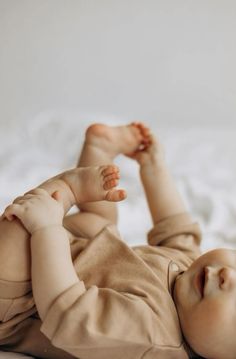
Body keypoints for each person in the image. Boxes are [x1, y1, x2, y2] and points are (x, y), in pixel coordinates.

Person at [0, 122, 235, 359]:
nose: (229, 275)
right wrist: (153, 166)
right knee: (98, 224)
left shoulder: (151, 335)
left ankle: (67, 188)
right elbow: (176, 227)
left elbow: (66, 309)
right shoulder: (190, 271)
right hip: (72, 250)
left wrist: (47, 229)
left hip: (20, 308)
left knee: (17, 232)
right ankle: (100, 152)